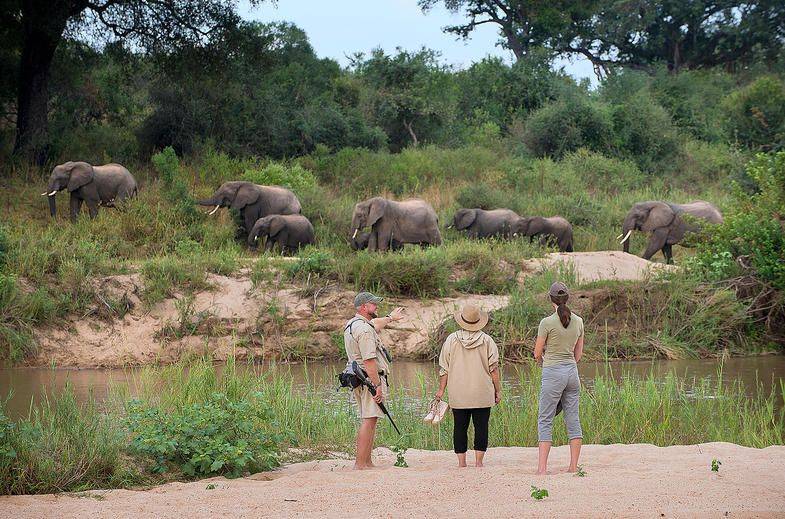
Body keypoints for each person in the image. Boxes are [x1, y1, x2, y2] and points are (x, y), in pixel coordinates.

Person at [343, 291, 405, 470]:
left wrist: (390, 318)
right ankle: (361, 464)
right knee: (369, 420)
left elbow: (375, 324)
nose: (376, 306)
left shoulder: (353, 324)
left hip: (360, 378)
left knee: (369, 419)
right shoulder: (364, 329)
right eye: (373, 304)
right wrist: (377, 385)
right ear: (364, 307)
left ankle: (366, 462)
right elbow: (369, 360)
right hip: (368, 379)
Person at [435, 303, 502, 468]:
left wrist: (441, 390)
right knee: (481, 427)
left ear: (462, 320)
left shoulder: (451, 339)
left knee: (459, 427)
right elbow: (494, 370)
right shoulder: (487, 340)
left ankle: (462, 463)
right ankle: (479, 463)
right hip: (482, 392)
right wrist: (498, 391)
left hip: (459, 393)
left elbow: (444, 369)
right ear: (479, 321)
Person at [534, 281, 584, 475]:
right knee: (573, 418)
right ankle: (573, 466)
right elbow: (578, 355)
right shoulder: (578, 321)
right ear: (567, 298)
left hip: (553, 372)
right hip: (572, 372)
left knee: (545, 418)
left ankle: (542, 468)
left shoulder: (546, 323)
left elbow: (537, 352)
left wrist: (543, 360)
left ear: (551, 299)